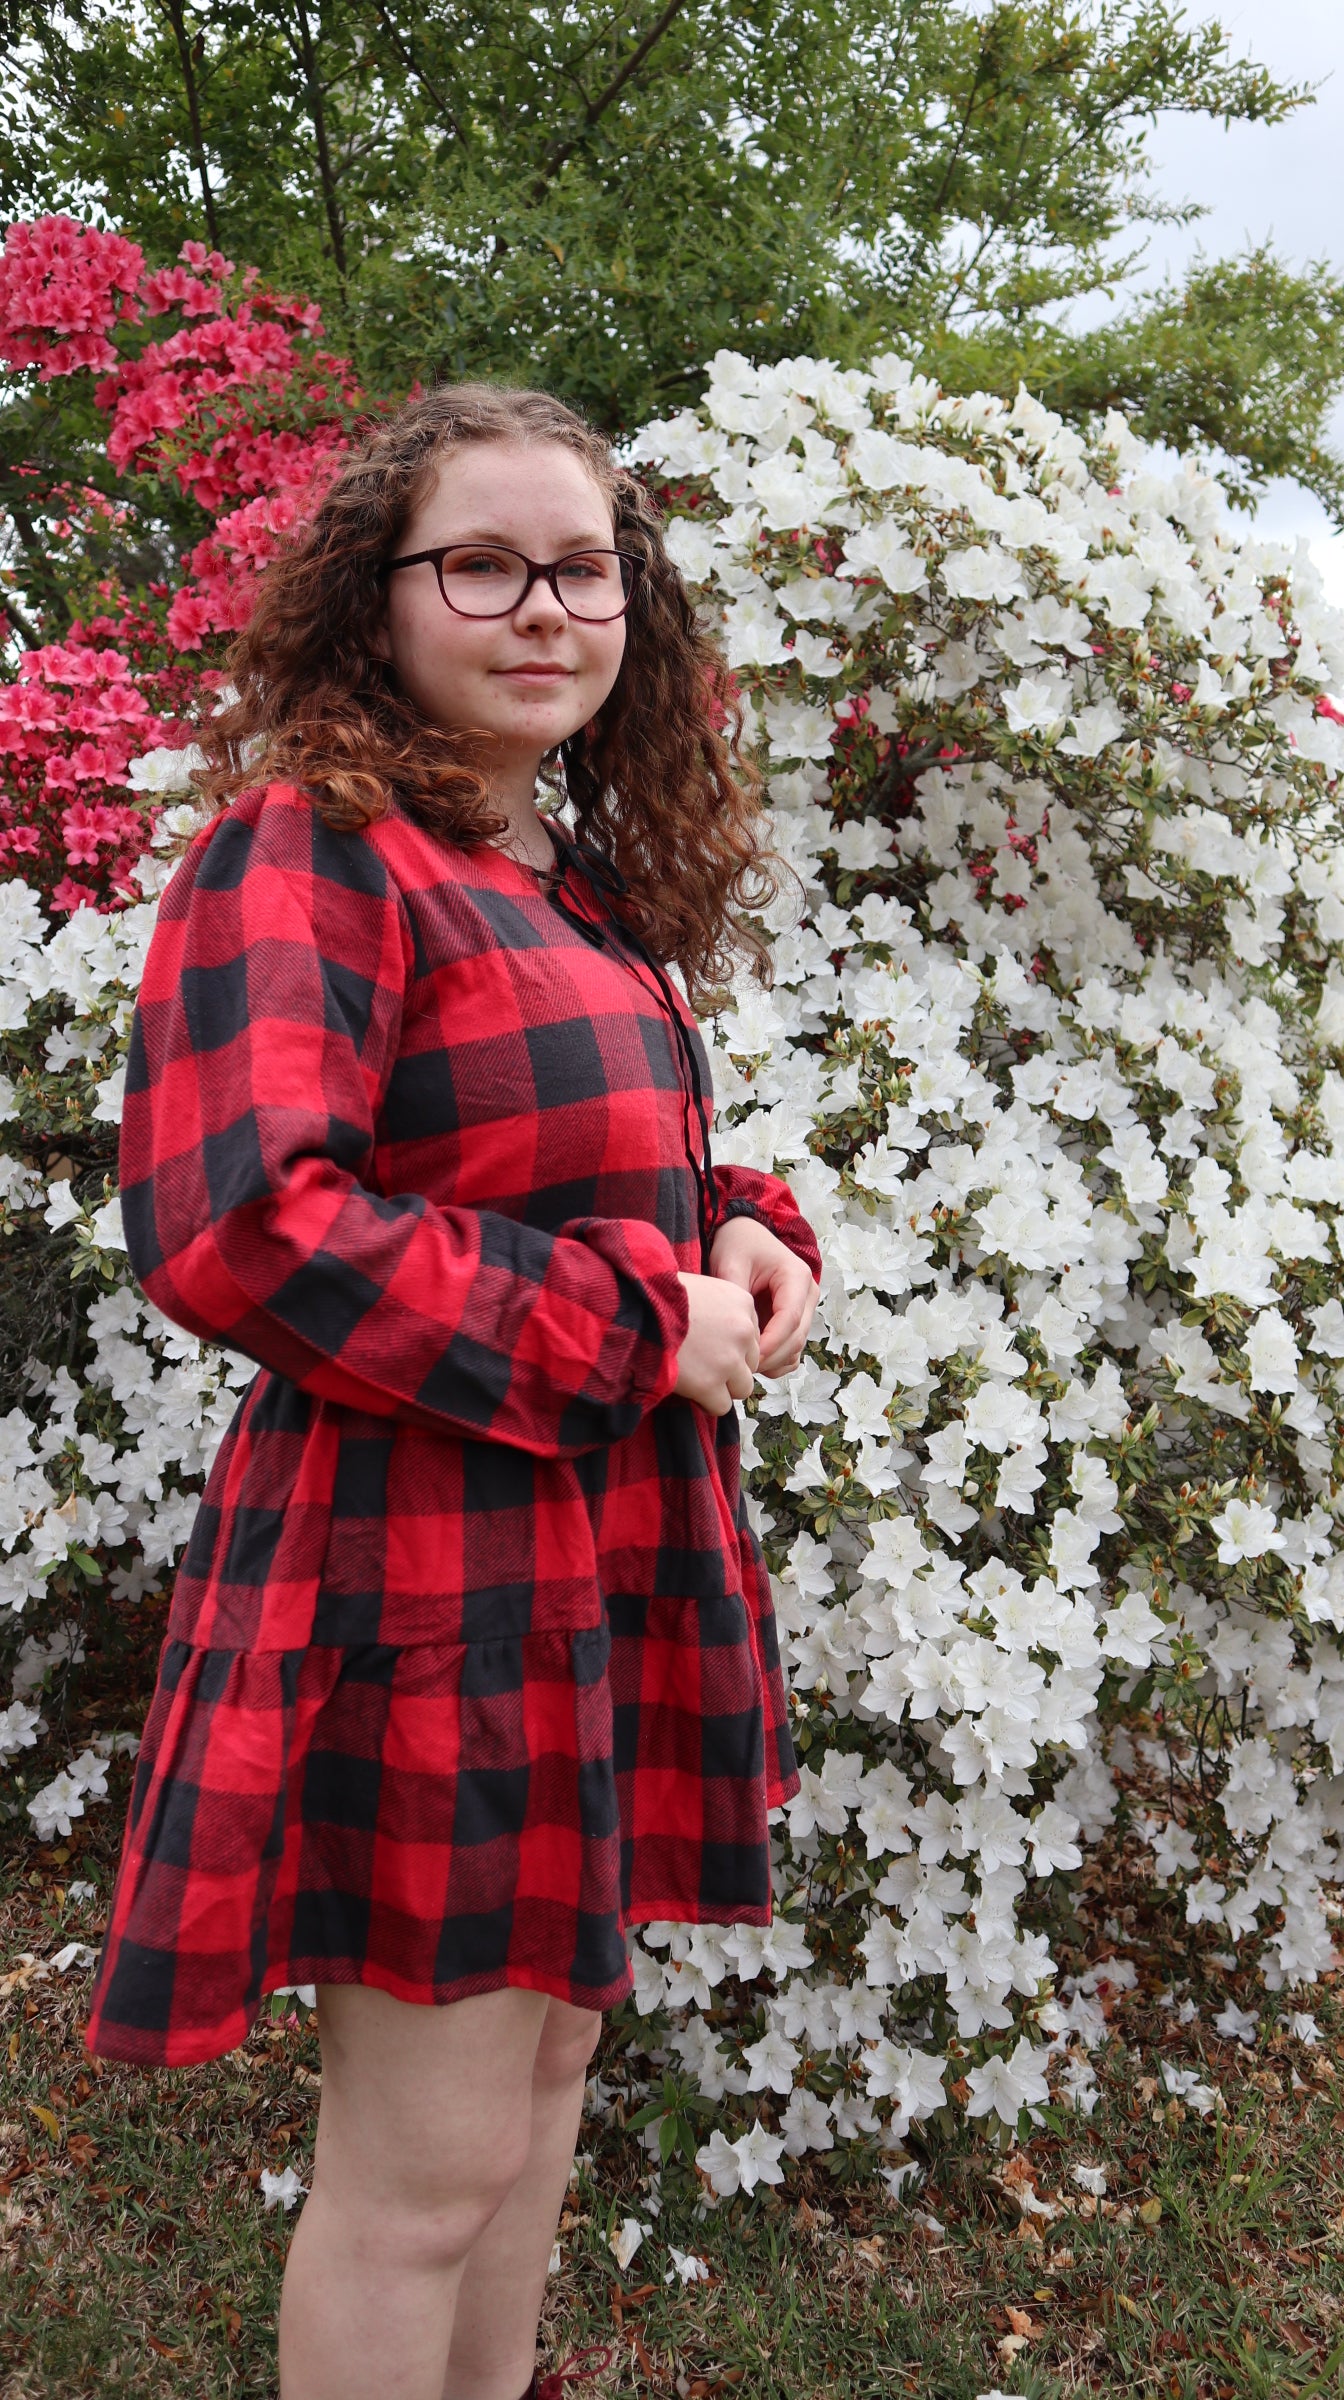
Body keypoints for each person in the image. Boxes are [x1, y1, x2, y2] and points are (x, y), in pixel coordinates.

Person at [84, 383, 821, 2400]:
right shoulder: (312, 852)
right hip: (425, 1573)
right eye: (480, 566)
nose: (543, 608)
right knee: (422, 2171)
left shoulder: (563, 875)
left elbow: (570, 1162)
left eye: (582, 568)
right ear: (381, 598)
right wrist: (632, 1325)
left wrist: (742, 1225)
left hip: (592, 1551)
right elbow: (246, 1222)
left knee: (543, 2086)